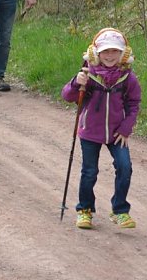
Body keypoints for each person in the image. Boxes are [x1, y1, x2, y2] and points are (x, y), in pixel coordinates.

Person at [61, 28, 142, 230]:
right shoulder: (88, 74)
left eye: (115, 51)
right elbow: (68, 97)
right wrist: (75, 83)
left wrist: (126, 128)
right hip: (90, 132)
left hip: (117, 133)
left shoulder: (128, 78)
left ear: (123, 54)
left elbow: (133, 104)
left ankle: (120, 210)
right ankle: (85, 210)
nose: (110, 56)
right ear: (96, 53)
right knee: (90, 171)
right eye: (105, 52)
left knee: (125, 167)